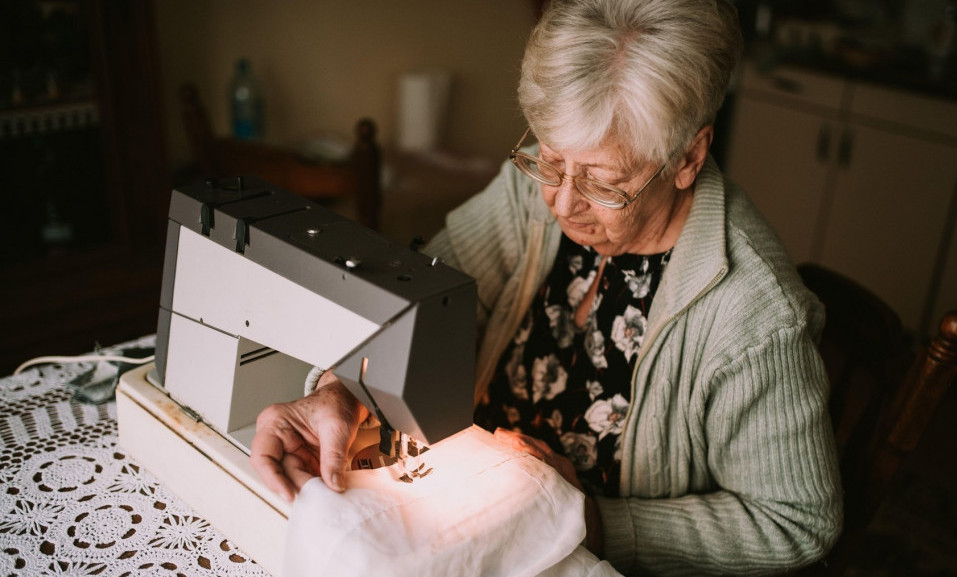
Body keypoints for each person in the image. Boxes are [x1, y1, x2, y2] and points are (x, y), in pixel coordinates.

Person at [250, 0, 843, 574]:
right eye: (551, 163)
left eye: (602, 183)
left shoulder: (755, 316)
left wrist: (592, 518)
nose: (561, 203)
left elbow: (795, 521)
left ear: (689, 157)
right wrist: (342, 387)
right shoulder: (533, 193)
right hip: (476, 518)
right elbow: (427, 297)